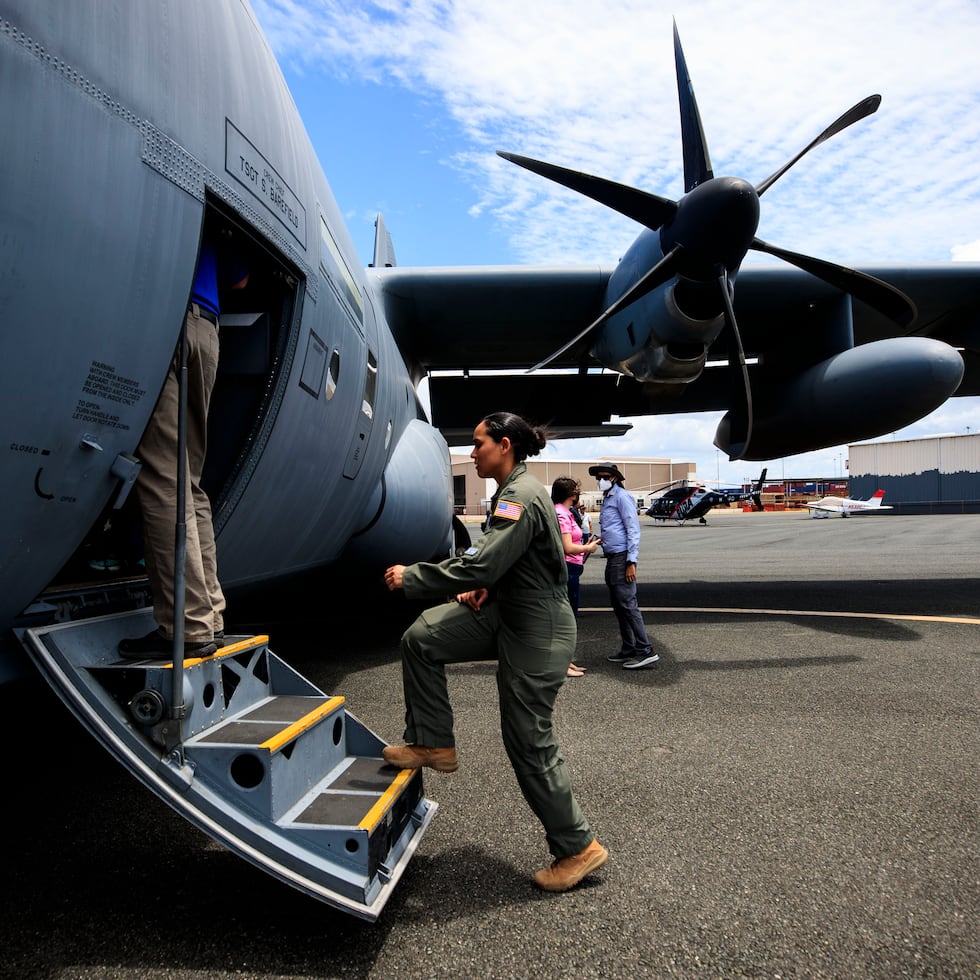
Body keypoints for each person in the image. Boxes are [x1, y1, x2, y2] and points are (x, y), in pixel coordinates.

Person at [383, 412, 608, 893]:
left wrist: (414, 577)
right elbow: (509, 562)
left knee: (528, 739)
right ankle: (432, 742)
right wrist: (494, 586)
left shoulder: (520, 495)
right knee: (422, 638)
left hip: (538, 628)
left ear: (504, 446)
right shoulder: (511, 492)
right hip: (509, 611)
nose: (472, 453)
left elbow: (481, 562)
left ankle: (578, 847)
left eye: (478, 443)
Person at [119, 231, 247, 659]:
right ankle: (210, 616)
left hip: (167, 313)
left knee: (162, 475)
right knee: (189, 481)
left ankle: (187, 627)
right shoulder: (218, 226)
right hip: (207, 331)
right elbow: (241, 279)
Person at [589, 461, 659, 670]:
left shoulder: (622, 497)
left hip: (621, 558)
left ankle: (645, 650)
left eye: (605, 477)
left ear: (615, 478)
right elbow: (615, 528)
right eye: (598, 478)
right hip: (612, 557)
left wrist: (631, 562)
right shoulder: (608, 498)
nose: (601, 481)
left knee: (628, 604)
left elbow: (633, 530)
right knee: (619, 606)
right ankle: (629, 648)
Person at [551, 476, 600, 677]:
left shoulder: (564, 512)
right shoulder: (562, 514)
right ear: (572, 494)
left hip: (571, 567)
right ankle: (560, 664)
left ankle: (565, 661)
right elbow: (567, 547)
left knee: (566, 617)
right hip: (568, 568)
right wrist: (588, 548)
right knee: (566, 619)